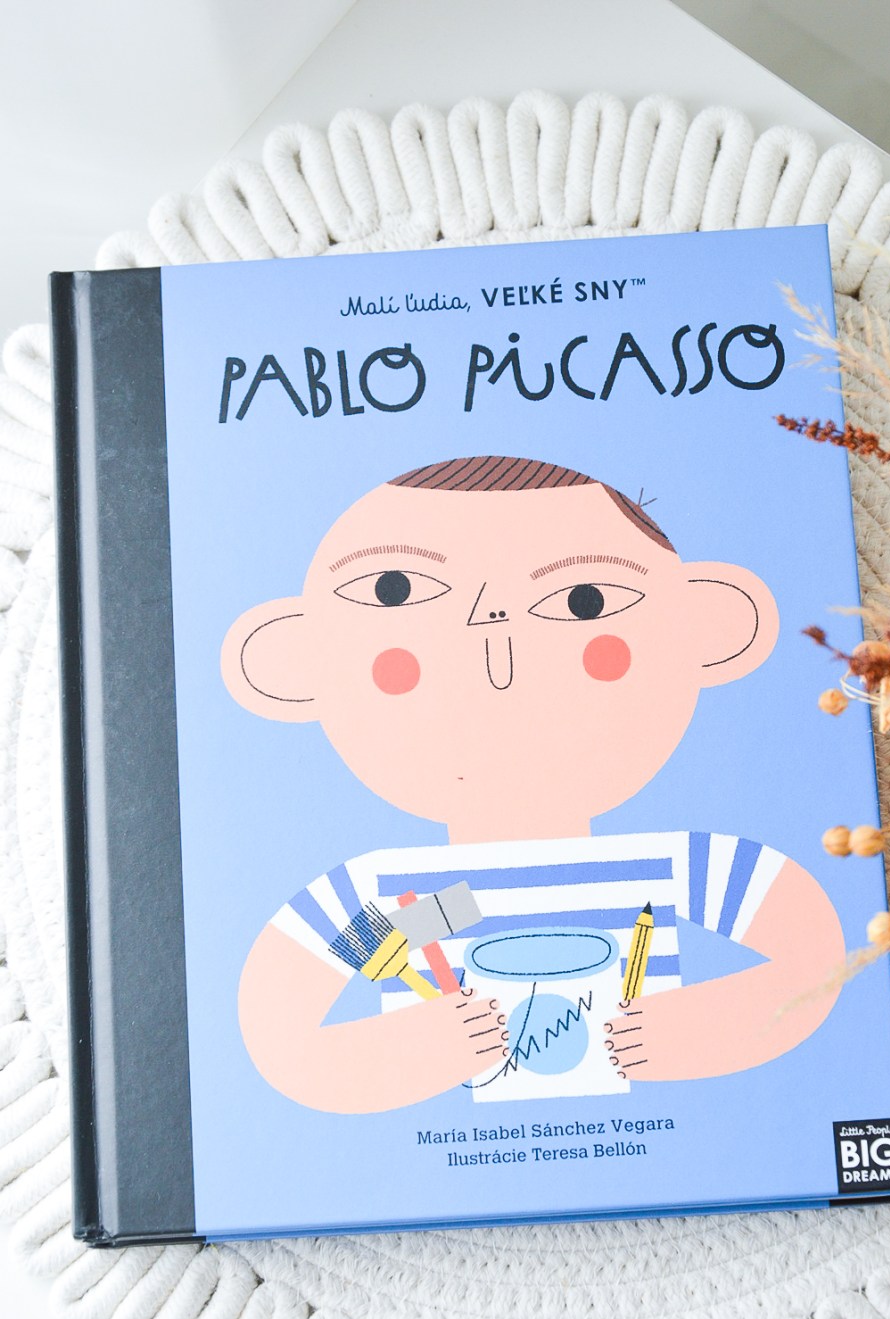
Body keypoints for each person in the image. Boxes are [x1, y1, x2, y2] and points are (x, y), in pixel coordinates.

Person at [221, 455, 845, 1113]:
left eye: (585, 600)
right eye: (394, 591)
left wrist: (698, 1029)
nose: (494, 632)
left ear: (704, 628)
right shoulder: (409, 900)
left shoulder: (668, 870)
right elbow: (279, 1034)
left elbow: (817, 960)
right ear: (293, 660)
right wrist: (407, 1051)